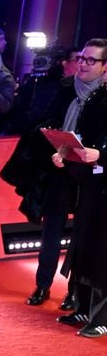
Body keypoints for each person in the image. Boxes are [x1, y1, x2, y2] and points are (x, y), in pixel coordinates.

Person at [50, 39, 107, 338]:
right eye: (82, 58)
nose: (83, 64)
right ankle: (84, 306)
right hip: (92, 185)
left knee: (102, 250)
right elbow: (84, 139)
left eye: (91, 60)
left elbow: (99, 148)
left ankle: (102, 316)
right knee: (83, 245)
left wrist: (103, 155)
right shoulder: (96, 99)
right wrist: (64, 151)